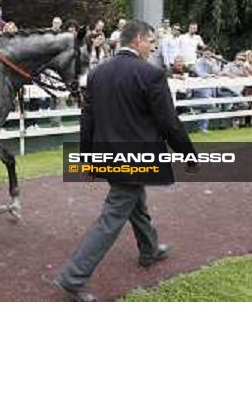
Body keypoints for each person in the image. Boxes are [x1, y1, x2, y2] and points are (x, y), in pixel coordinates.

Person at [54, 19, 197, 302]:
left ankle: (150, 249)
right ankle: (74, 277)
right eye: (151, 41)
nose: (153, 47)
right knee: (113, 215)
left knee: (135, 202)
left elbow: (87, 118)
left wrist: (86, 158)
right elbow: (169, 122)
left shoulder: (97, 74)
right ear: (139, 40)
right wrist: (187, 154)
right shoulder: (151, 74)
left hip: (108, 154)